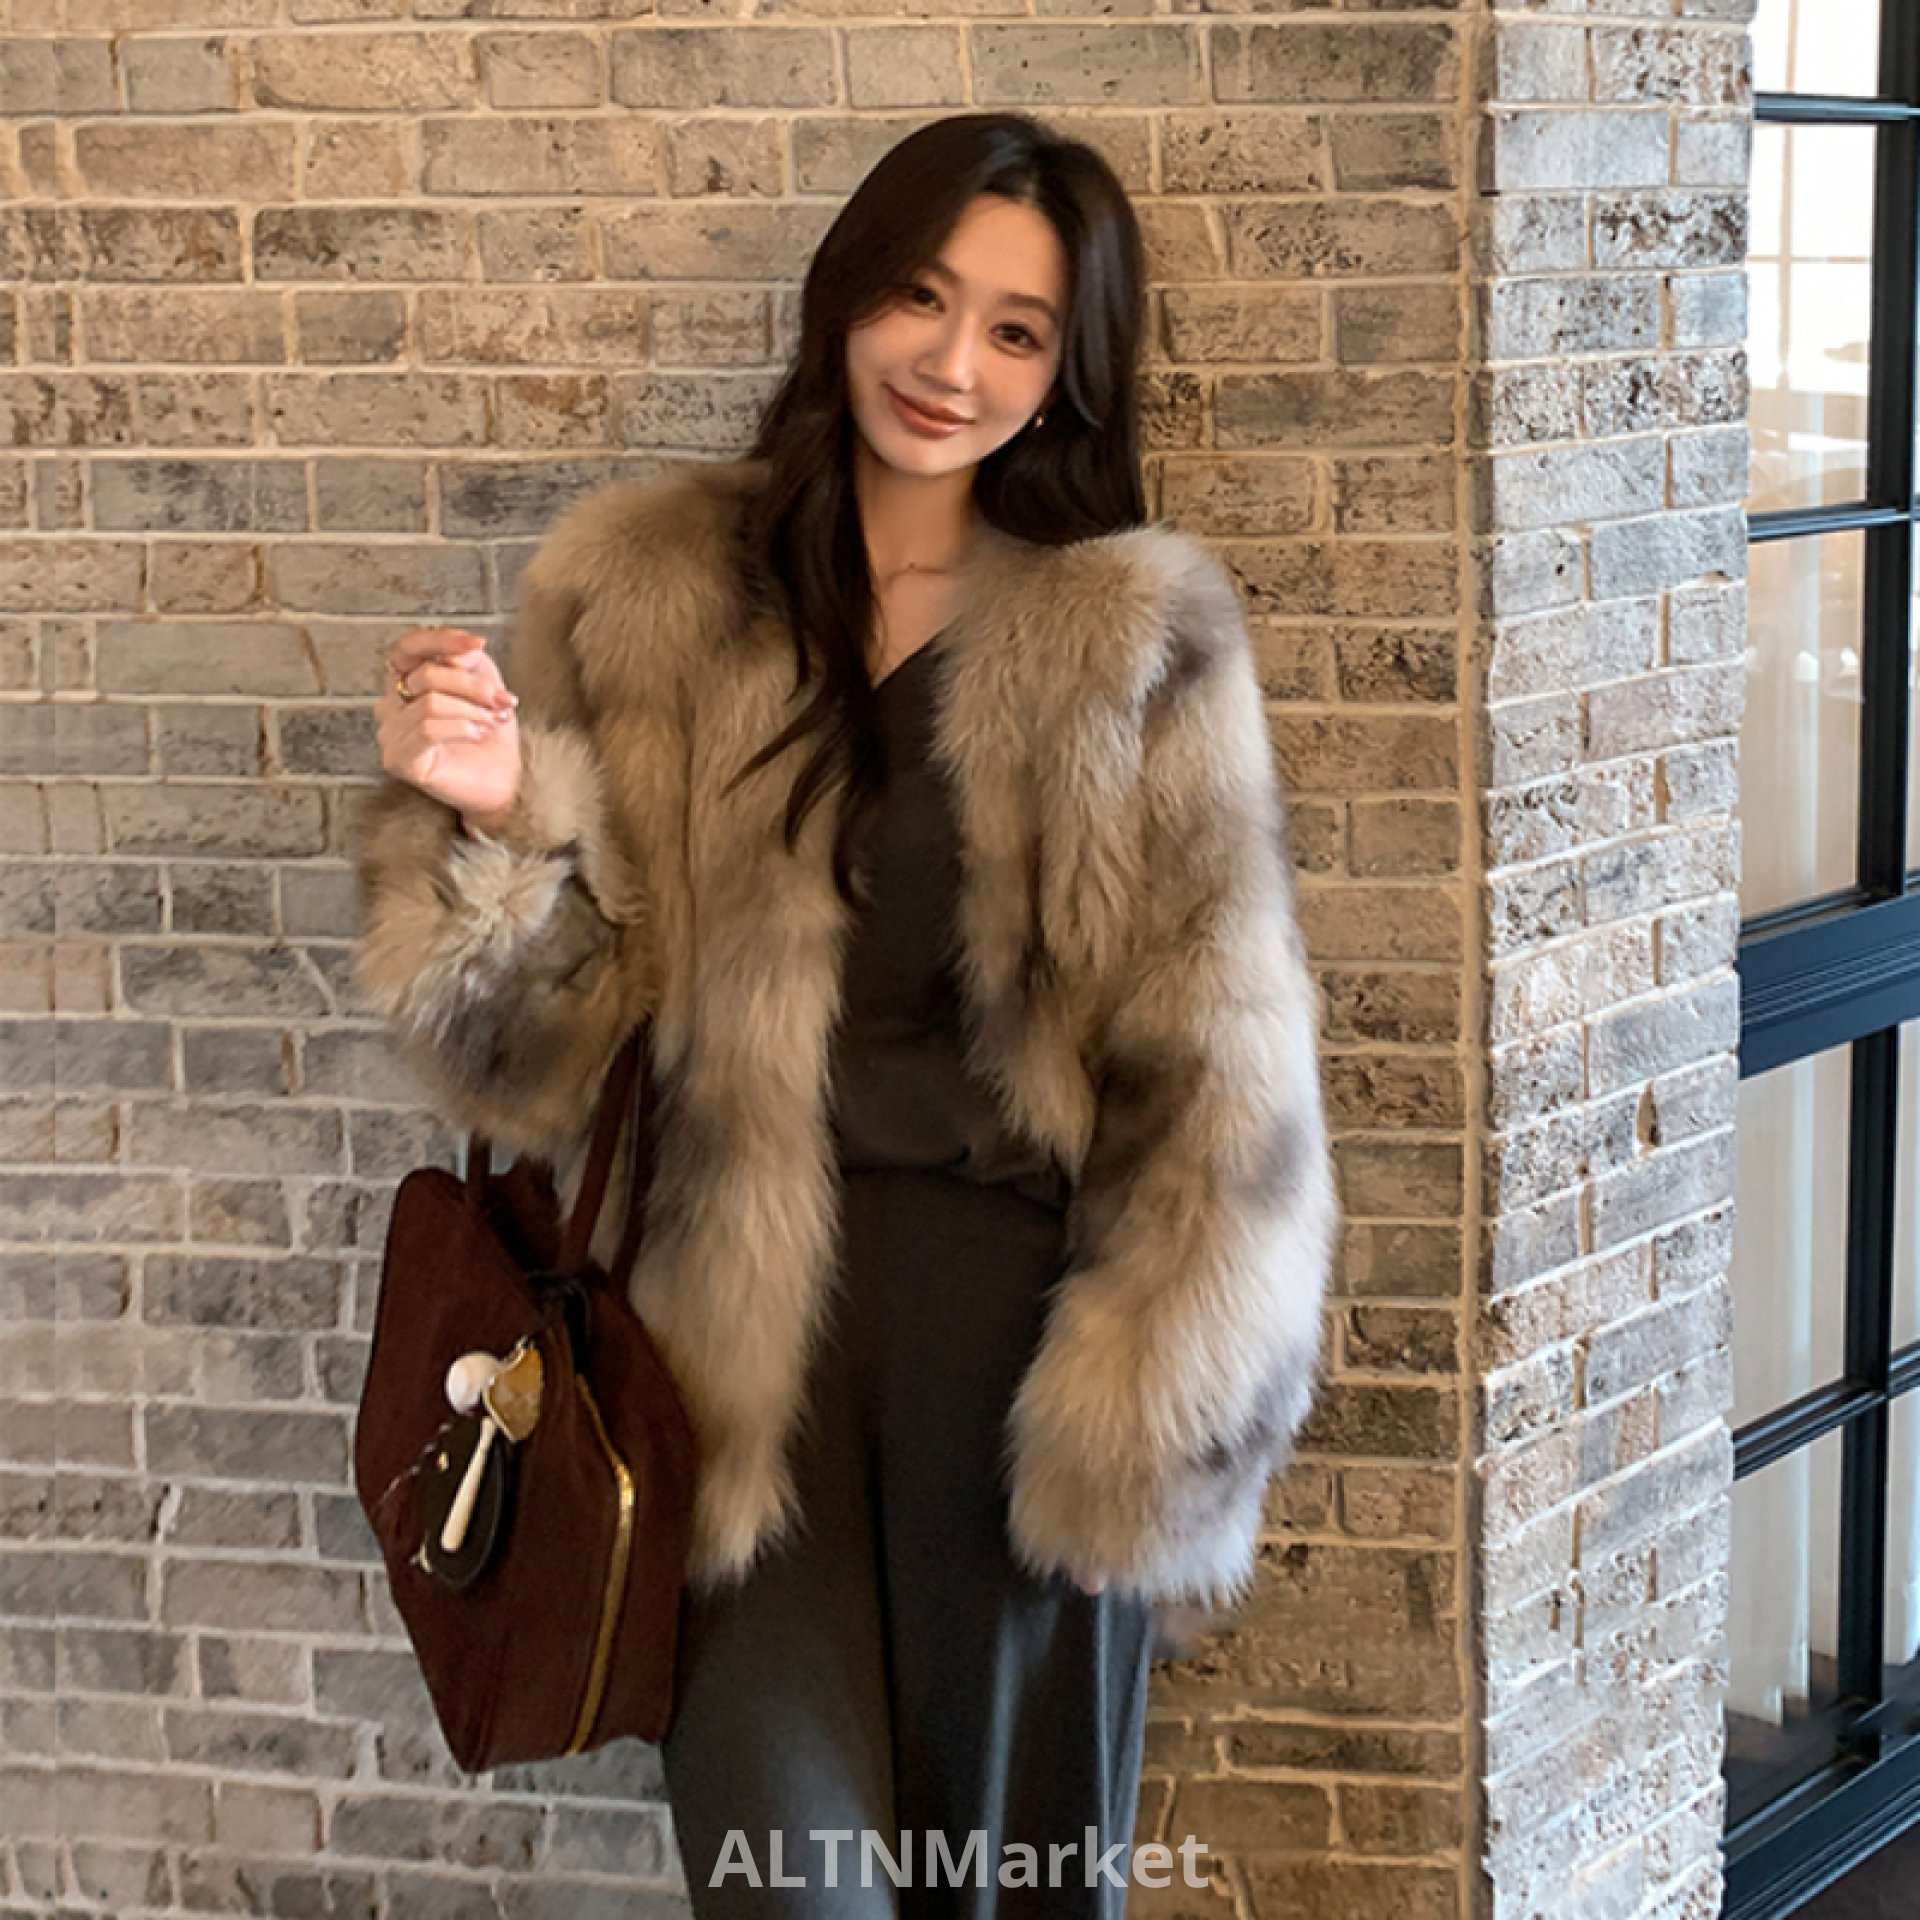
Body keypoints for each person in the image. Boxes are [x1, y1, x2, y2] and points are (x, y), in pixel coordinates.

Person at [353, 112, 1334, 1918]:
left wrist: (1157, 1433)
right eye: (920, 296)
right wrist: (493, 822)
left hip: (1019, 1386)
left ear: (1066, 374)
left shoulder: (1133, 637)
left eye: (1017, 331)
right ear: (847, 295)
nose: (953, 363)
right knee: (787, 1884)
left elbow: (1215, 1080)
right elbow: (539, 1062)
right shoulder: (647, 592)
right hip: (722, 1384)